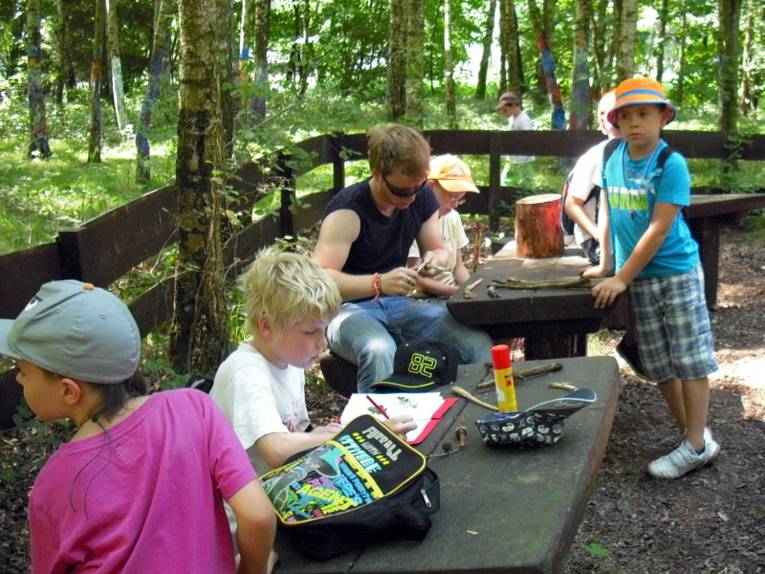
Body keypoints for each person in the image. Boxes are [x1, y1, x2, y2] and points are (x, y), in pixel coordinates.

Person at [0, 280, 276, 574]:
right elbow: (258, 516)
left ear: (70, 390)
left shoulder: (52, 486)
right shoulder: (195, 408)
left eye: (22, 370)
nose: (18, 380)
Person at [589, 77, 719, 480]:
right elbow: (608, 213)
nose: (634, 124)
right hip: (637, 276)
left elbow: (658, 229)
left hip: (674, 273)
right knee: (658, 362)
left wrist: (621, 278)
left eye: (643, 114)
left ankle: (696, 443)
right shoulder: (613, 158)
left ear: (663, 116)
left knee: (690, 359)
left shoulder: (670, 164)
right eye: (625, 116)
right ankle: (692, 436)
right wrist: (607, 265)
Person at [313, 124, 493, 393]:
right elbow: (319, 279)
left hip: (400, 305)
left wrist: (435, 260)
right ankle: (379, 429)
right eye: (401, 191)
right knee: (379, 351)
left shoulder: (420, 197)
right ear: (377, 174)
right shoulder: (347, 212)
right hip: (347, 310)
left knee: (476, 344)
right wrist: (377, 283)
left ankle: (481, 416)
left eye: (418, 187)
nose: (411, 197)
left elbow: (439, 249)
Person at [211, 247, 416, 476]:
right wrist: (358, 432)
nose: (323, 343)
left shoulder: (286, 358)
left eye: (323, 330)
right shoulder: (247, 372)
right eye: (310, 332)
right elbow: (276, 449)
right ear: (267, 326)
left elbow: (297, 434)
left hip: (286, 479)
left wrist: (322, 434)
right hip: (253, 503)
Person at [407, 154, 479, 298]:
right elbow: (416, 279)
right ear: (430, 187)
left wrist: (471, 289)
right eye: (452, 195)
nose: (456, 204)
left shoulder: (453, 218)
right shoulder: (412, 221)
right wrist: (456, 292)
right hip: (420, 298)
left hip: (450, 293)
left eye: (461, 197)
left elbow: (458, 267)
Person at [564, 90, 622, 266]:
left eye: (614, 110)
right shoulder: (595, 157)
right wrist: (598, 235)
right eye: (602, 113)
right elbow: (572, 204)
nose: (608, 117)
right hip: (596, 239)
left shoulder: (640, 153)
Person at [495, 91, 535, 165]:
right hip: (513, 159)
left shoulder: (524, 120)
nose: (503, 113)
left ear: (513, 105)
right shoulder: (511, 119)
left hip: (524, 161)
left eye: (505, 110)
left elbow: (527, 141)